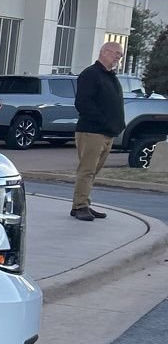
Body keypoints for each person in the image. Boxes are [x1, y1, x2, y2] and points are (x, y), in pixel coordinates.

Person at [71, 41, 125, 222]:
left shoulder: (110, 76)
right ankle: (80, 207)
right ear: (104, 52)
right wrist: (104, 122)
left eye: (120, 54)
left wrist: (117, 125)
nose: (118, 57)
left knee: (93, 171)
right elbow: (83, 103)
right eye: (116, 53)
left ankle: (82, 203)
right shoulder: (91, 74)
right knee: (87, 170)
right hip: (92, 131)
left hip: (107, 132)